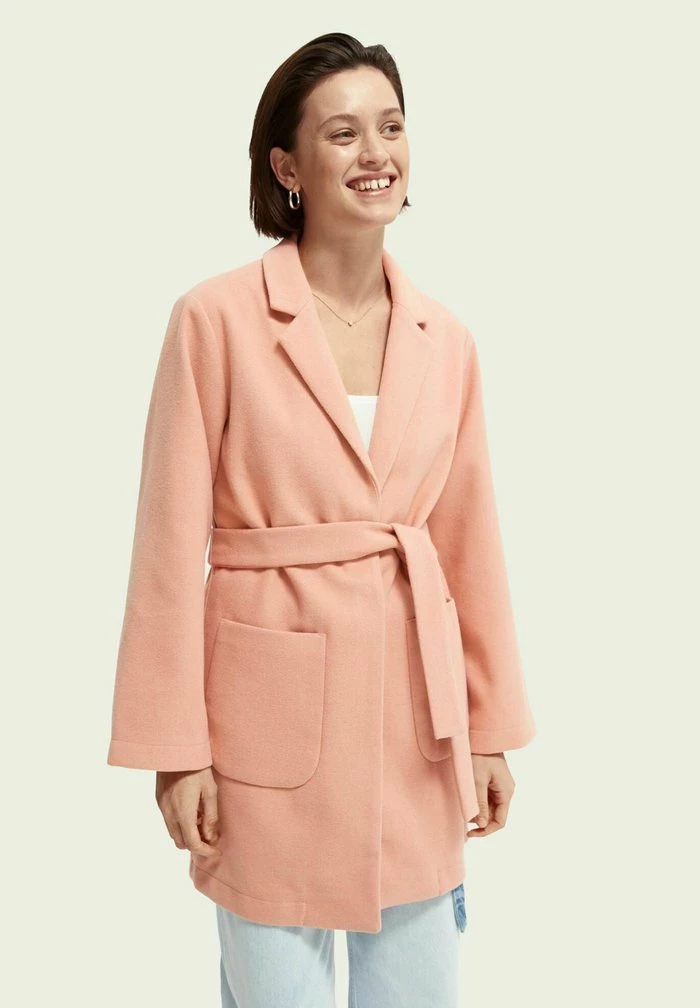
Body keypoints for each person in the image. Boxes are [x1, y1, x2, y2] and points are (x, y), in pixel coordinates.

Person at [107, 31, 536, 1008]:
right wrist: (178, 751)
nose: (375, 152)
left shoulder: (445, 339)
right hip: (266, 728)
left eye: (391, 126)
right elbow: (166, 551)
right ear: (288, 167)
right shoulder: (215, 319)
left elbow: (470, 546)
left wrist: (488, 731)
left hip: (415, 723)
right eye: (342, 133)